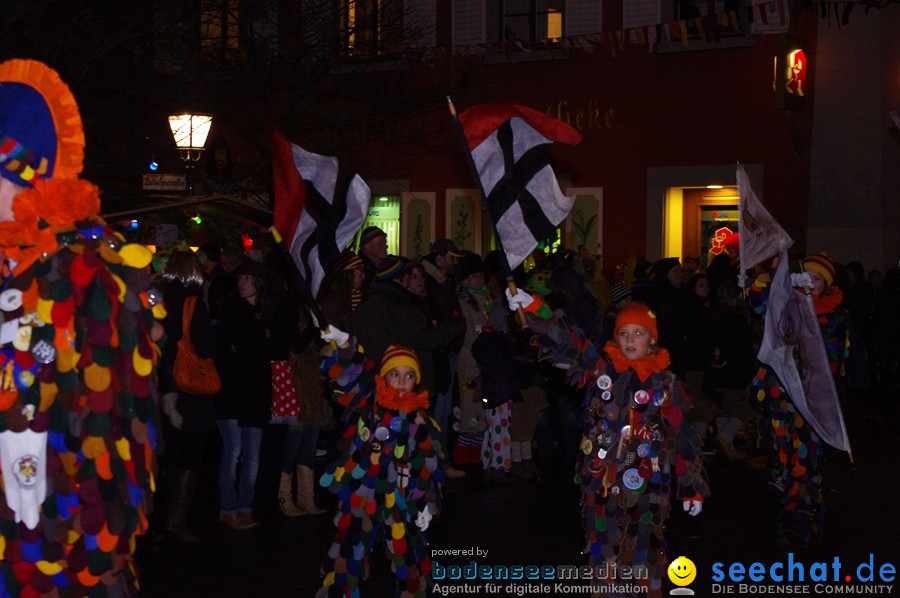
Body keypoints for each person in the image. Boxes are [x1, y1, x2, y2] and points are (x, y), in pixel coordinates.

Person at [0, 58, 165, 597]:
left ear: (26, 179)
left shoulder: (89, 275)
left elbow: (113, 421)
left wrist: (98, 536)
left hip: (66, 523)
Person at [520, 295, 709, 598]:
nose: (630, 339)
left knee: (644, 547)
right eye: (623, 333)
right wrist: (533, 306)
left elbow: (683, 435)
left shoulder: (666, 384)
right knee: (603, 546)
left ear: (652, 340)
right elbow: (570, 343)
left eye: (639, 333)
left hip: (647, 484)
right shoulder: (602, 372)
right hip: (602, 481)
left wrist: (692, 486)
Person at [316, 334, 445, 598]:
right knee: (348, 546)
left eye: (409, 376)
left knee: (406, 553)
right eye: (394, 374)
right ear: (384, 376)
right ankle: (341, 590)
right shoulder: (368, 401)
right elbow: (349, 373)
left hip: (400, 496)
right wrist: (344, 344)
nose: (401, 381)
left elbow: (426, 466)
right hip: (361, 489)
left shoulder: (419, 420)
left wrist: (425, 503)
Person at [750, 252, 849, 548]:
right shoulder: (787, 307)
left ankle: (799, 524)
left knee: (805, 463)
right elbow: (758, 307)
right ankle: (796, 514)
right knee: (783, 461)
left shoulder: (834, 316)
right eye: (809, 276)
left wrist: (801, 355)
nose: (812, 282)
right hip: (781, 399)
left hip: (812, 403)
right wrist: (768, 276)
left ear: (826, 284)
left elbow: (832, 359)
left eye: (818, 279)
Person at [216, 261, 301, 530]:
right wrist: (257, 341)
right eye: (240, 277)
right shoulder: (230, 309)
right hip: (232, 391)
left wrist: (259, 341)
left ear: (259, 283)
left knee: (252, 455)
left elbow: (275, 347)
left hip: (257, 391)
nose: (241, 282)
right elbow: (235, 348)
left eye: (247, 278)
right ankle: (227, 508)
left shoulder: (269, 313)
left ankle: (245, 508)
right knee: (233, 452)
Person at [157, 251, 222, 542]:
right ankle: (176, 518)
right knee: (189, 457)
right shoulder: (193, 305)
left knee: (165, 455)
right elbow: (206, 348)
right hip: (190, 391)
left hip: (161, 387)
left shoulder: (155, 301)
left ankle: (156, 517)